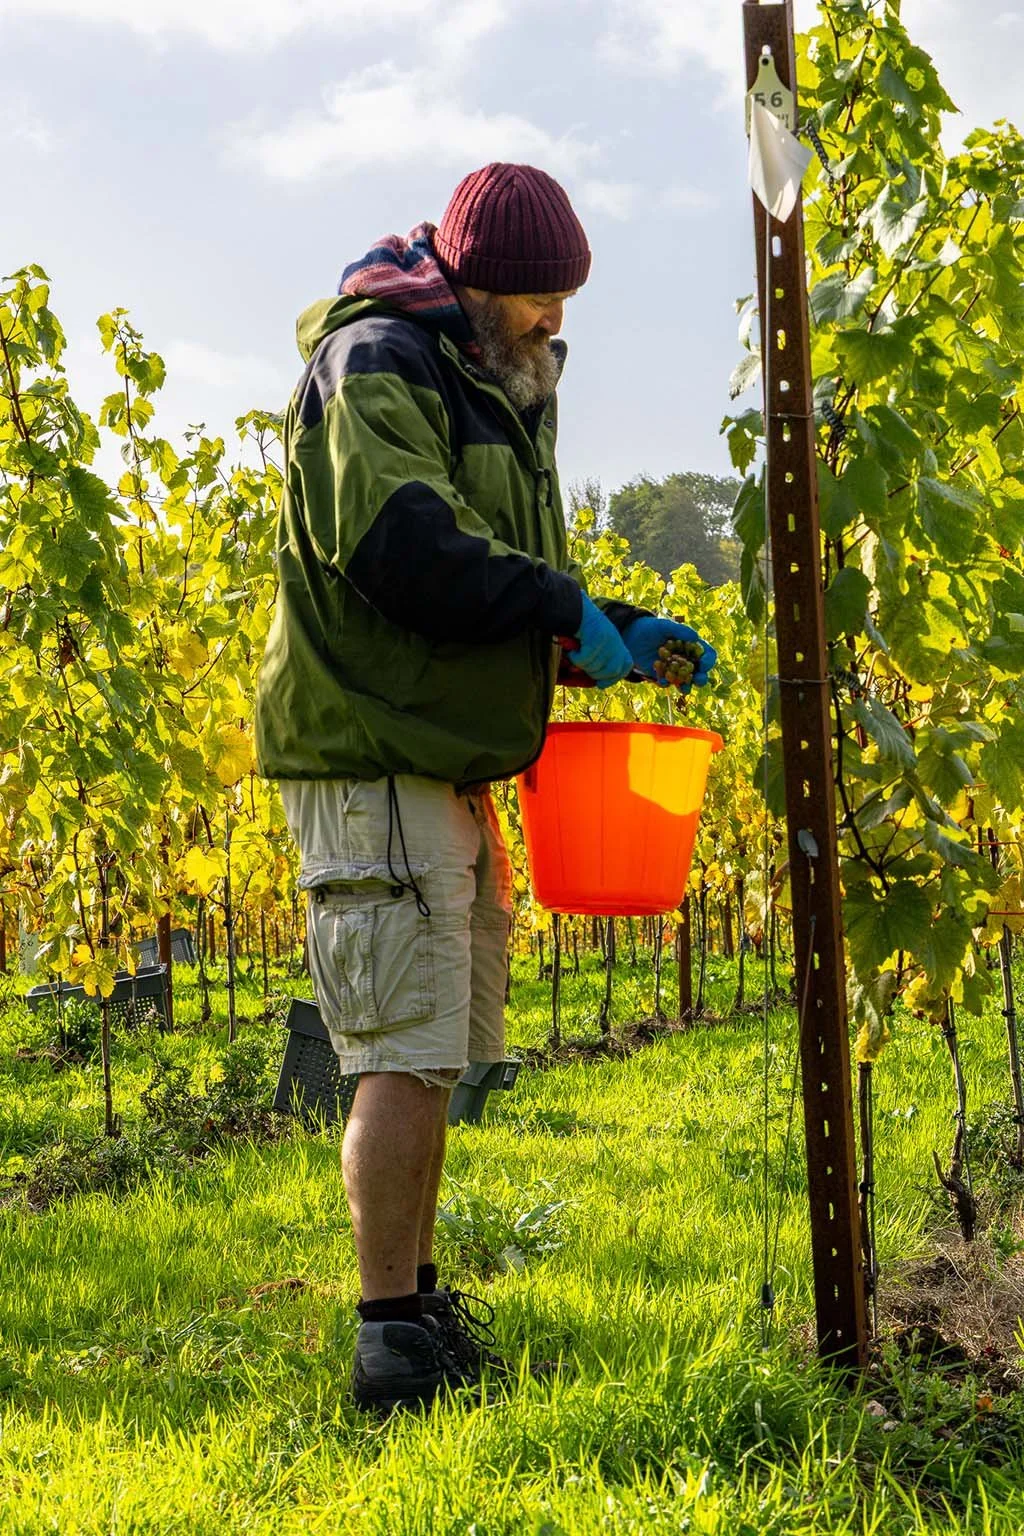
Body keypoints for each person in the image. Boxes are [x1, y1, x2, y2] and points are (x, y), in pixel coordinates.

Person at [255, 162, 717, 1414]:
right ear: (469, 285)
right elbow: (405, 549)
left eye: (562, 299)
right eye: (531, 300)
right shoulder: (380, 364)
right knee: (401, 1051)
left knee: (438, 1049)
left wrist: (595, 622)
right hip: (376, 751)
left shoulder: (492, 377)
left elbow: (493, 570)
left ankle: (415, 1299)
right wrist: (557, 604)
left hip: (446, 759)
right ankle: (387, 1340)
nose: (552, 322)